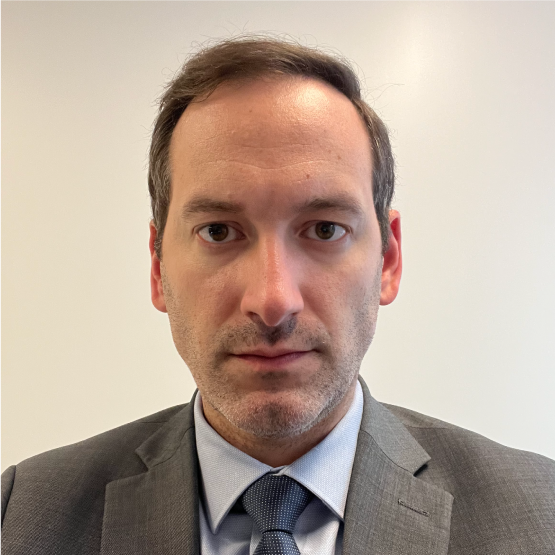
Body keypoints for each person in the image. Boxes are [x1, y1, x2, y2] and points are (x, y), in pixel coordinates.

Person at [0, 36, 554, 555]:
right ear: (157, 265)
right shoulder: (21, 517)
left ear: (388, 259)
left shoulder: (541, 517)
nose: (272, 299)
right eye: (218, 230)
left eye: (324, 229)